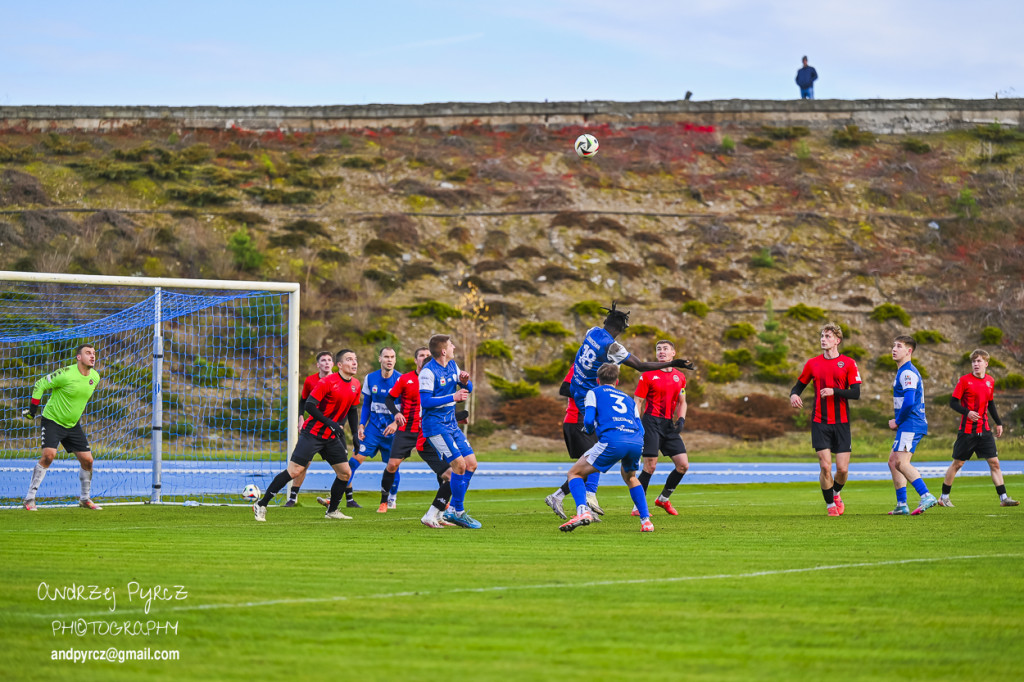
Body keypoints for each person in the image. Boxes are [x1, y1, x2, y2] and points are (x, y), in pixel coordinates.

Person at [547, 302, 694, 517]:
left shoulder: (592, 332)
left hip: (579, 388)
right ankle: (582, 500)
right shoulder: (613, 348)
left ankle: (577, 497)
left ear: (605, 322)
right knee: (599, 452)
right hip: (588, 399)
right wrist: (674, 363)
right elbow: (641, 365)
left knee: (600, 452)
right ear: (622, 329)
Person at [253, 349, 361, 522]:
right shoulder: (327, 382)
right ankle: (262, 504)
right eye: (349, 359)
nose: (354, 362)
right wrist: (331, 423)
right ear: (339, 365)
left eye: (355, 359)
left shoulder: (356, 383)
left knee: (345, 473)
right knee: (294, 471)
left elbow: (353, 410)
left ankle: (332, 510)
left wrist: (355, 435)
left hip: (331, 437)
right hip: (313, 434)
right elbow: (310, 406)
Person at [559, 363, 654, 533]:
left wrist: (589, 430)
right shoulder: (628, 398)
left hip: (613, 440)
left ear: (597, 380)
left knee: (574, 473)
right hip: (635, 441)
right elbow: (641, 427)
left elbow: (588, 420)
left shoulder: (593, 392)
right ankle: (646, 521)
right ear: (617, 381)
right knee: (631, 478)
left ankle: (582, 511)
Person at [790, 322, 861, 517]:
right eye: (822, 335)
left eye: (828, 336)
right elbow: (798, 387)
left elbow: (856, 393)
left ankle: (836, 493)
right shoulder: (812, 363)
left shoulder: (848, 363)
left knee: (843, 470)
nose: (823, 339)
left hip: (842, 422)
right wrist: (794, 395)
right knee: (825, 466)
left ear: (837, 340)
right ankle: (830, 505)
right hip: (820, 422)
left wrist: (834, 391)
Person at [22, 343, 103, 511]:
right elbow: (40, 384)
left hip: (72, 425)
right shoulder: (65, 374)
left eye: (94, 353)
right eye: (88, 353)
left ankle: (85, 499)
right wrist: (32, 410)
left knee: (88, 461)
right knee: (48, 456)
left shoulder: (95, 377)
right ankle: (29, 499)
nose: (93, 356)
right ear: (78, 357)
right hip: (52, 420)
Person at [938, 350, 1018, 508]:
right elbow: (953, 403)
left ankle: (1003, 498)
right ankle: (944, 497)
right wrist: (967, 412)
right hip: (967, 431)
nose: (976, 364)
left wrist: (999, 423)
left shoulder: (990, 381)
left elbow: (991, 404)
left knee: (995, 463)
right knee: (957, 464)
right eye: (974, 361)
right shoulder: (964, 381)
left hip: (985, 430)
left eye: (979, 361)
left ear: (986, 364)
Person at [419, 333, 480, 529]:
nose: (454, 347)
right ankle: (456, 511)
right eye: (451, 345)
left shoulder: (453, 366)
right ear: (444, 350)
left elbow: (467, 388)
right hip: (435, 426)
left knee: (471, 464)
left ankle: (443, 511)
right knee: (459, 467)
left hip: (451, 424)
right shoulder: (428, 373)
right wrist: (453, 396)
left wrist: (464, 381)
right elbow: (425, 402)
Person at [633, 339, 689, 516]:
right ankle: (638, 507)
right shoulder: (648, 375)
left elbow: (682, 401)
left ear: (673, 353)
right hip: (650, 422)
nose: (661, 351)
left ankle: (663, 499)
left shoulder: (680, 376)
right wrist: (636, 422)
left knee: (683, 465)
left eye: (665, 349)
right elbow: (638, 401)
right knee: (650, 466)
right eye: (658, 349)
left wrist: (681, 419)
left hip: (668, 424)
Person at [884, 336, 937, 515]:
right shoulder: (903, 371)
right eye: (893, 345)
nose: (894, 349)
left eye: (899, 346)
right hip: (909, 423)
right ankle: (902, 504)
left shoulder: (907, 372)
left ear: (909, 351)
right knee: (893, 462)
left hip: (911, 423)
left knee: (901, 462)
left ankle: (926, 495)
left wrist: (897, 420)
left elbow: (908, 401)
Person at [346, 347, 402, 511]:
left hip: (392, 432)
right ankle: (341, 496)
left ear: (395, 360)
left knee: (392, 466)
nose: (389, 360)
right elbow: (366, 405)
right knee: (353, 462)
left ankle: (391, 498)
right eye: (386, 357)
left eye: (392, 357)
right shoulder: (370, 378)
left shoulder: (401, 380)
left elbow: (406, 407)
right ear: (380, 359)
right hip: (373, 430)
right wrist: (362, 425)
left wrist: (395, 424)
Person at [544, 366, 599, 521]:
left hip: (590, 423)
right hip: (577, 420)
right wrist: (589, 394)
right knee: (590, 464)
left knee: (587, 468)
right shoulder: (581, 366)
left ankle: (559, 497)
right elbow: (564, 388)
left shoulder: (607, 369)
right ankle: (584, 506)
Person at [284, 350, 335, 507]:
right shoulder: (310, 381)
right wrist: (300, 416)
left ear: (333, 364)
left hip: (332, 430)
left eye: (329, 360)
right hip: (313, 429)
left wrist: (340, 424)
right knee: (304, 464)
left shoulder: (339, 380)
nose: (327, 363)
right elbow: (303, 401)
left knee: (344, 466)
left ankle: (343, 499)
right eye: (323, 360)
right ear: (318, 364)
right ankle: (293, 497)